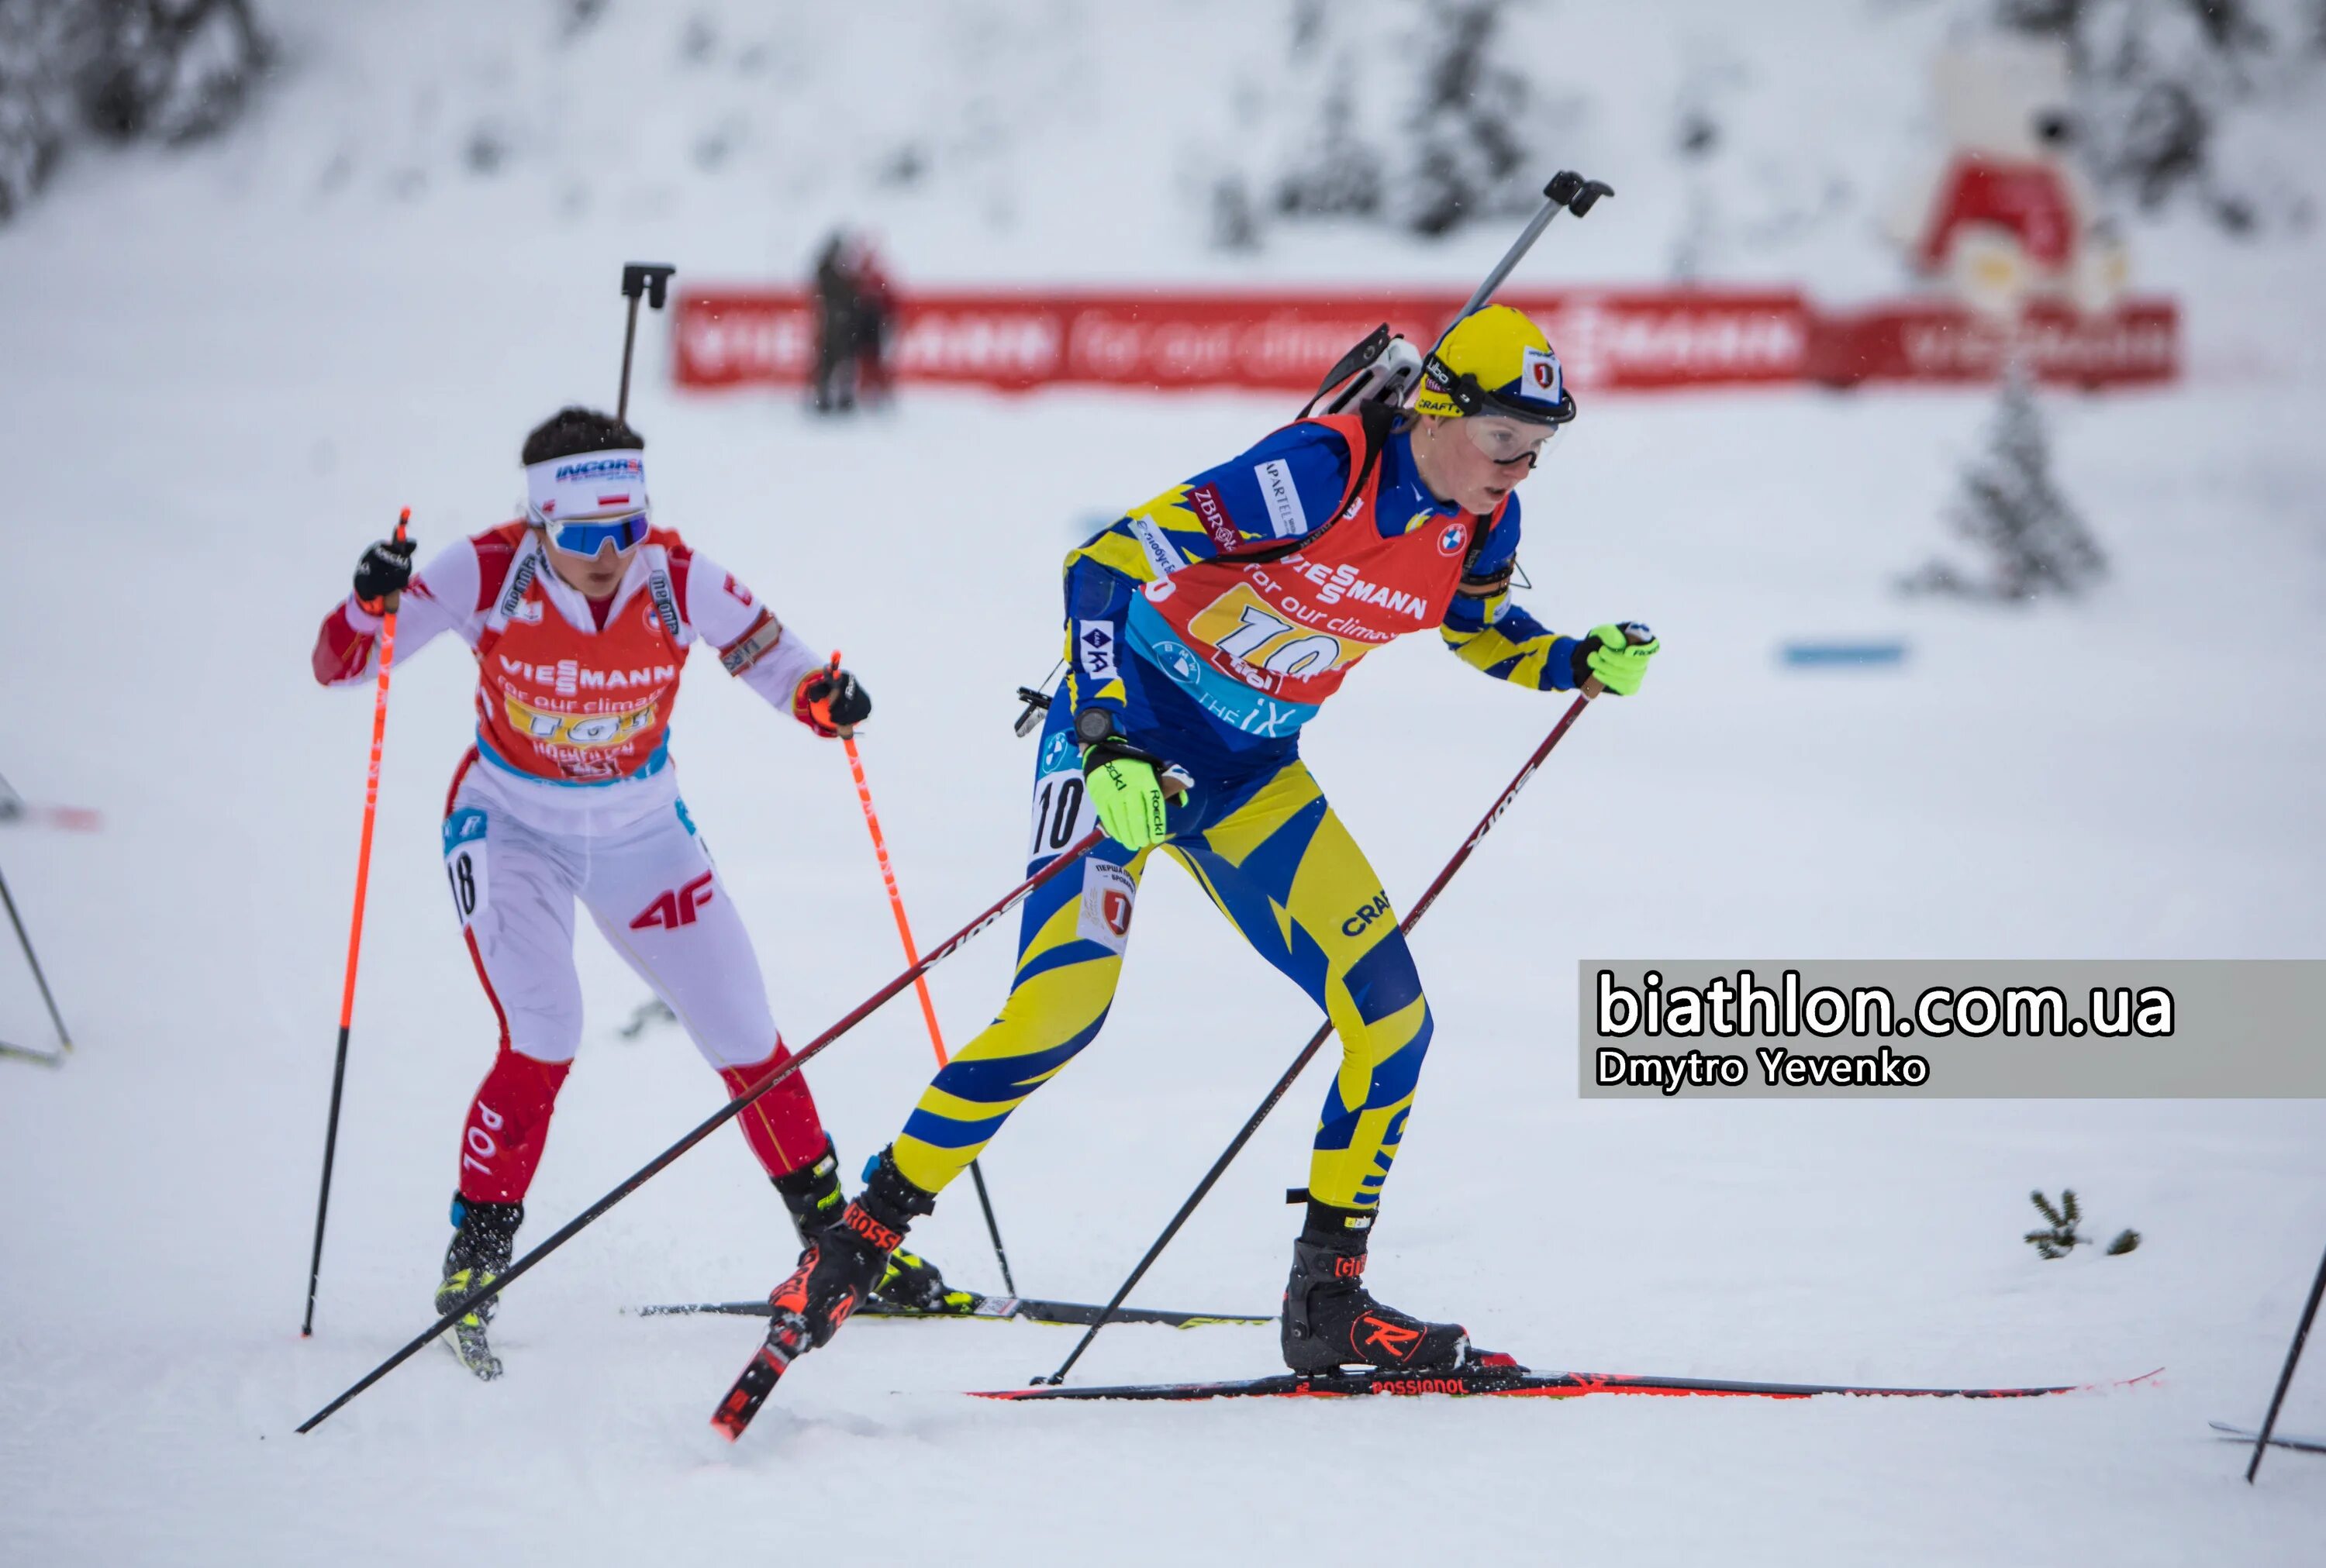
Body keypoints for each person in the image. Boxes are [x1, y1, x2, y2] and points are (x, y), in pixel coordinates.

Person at [745, 305, 1659, 1380]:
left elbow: (1478, 627)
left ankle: (1329, 1298)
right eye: (1506, 439)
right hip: (1121, 742)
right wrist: (1100, 738)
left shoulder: (1483, 522)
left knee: (1391, 1020)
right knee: (1061, 1005)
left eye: (1539, 449)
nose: (1520, 468)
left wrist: (1574, 661)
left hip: (1249, 778)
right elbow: (1104, 561)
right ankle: (860, 1238)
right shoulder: (1318, 472)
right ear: (1441, 408)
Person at [310, 406, 954, 1379]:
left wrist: (824, 697)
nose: (608, 554)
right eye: (581, 537)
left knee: (746, 1031)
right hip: (512, 825)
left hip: (642, 833)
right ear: (538, 526)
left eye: (626, 528)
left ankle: (838, 1247)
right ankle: (473, 1263)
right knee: (546, 1027)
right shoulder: (484, 570)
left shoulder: (675, 572)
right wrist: (370, 602)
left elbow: (776, 657)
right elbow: (342, 665)